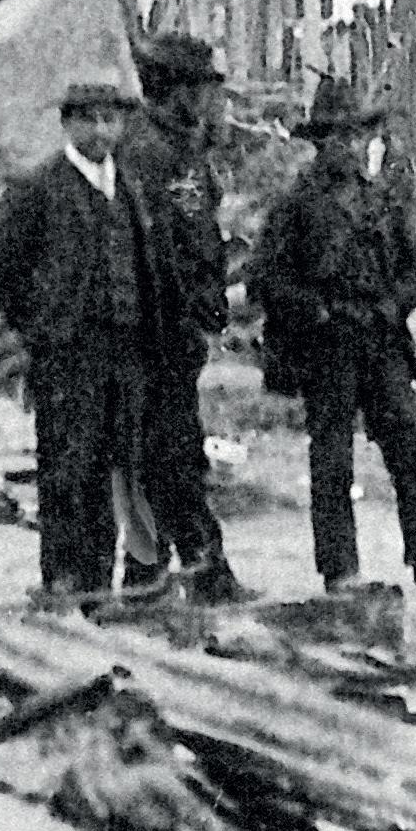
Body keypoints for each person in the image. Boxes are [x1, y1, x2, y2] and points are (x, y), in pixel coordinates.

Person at [0, 82, 173, 601]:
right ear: (67, 125)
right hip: (70, 356)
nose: (101, 130)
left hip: (127, 351)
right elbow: (2, 270)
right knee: (70, 469)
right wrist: (40, 330)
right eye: (88, 120)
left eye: (110, 119)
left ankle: (110, 584)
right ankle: (66, 583)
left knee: (125, 467)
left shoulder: (129, 186)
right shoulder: (40, 188)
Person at [249, 79, 416, 594]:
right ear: (318, 143)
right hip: (328, 348)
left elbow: (414, 268)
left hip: (381, 340)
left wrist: (393, 305)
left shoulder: (383, 201)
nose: (345, 147)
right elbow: (267, 278)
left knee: (411, 446)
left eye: (353, 136)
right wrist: (317, 311)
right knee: (332, 459)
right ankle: (340, 570)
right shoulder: (296, 205)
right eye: (334, 138)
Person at [120, 34, 250, 604]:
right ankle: (194, 569)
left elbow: (199, 234)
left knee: (165, 452)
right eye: (199, 89)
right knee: (166, 453)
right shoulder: (145, 151)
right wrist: (180, 312)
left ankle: (156, 573)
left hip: (180, 329)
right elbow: (153, 249)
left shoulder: (183, 148)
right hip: (155, 330)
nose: (208, 101)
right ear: (175, 91)